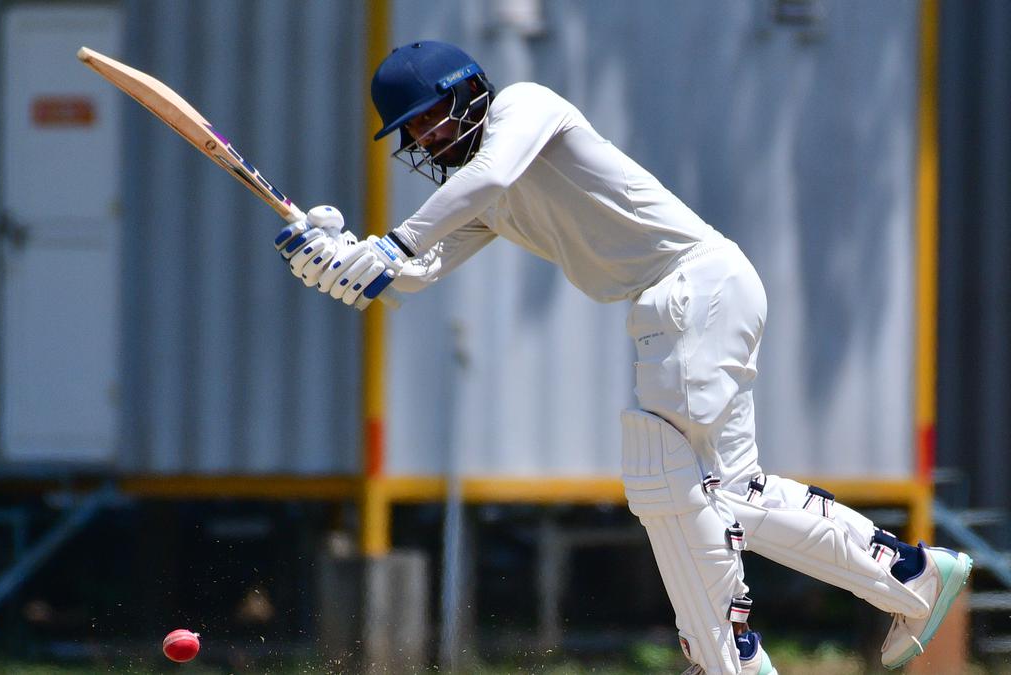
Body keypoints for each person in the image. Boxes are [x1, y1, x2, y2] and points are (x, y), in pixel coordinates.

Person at [274, 40, 971, 674]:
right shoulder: (484, 196)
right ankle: (909, 574)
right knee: (731, 491)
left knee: (668, 476)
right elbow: (415, 271)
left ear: (469, 90)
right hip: (688, 298)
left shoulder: (527, 110)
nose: (427, 137)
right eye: (414, 132)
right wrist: (334, 259)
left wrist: (388, 245)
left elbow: (477, 186)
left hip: (692, 286)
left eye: (432, 116)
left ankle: (730, 658)